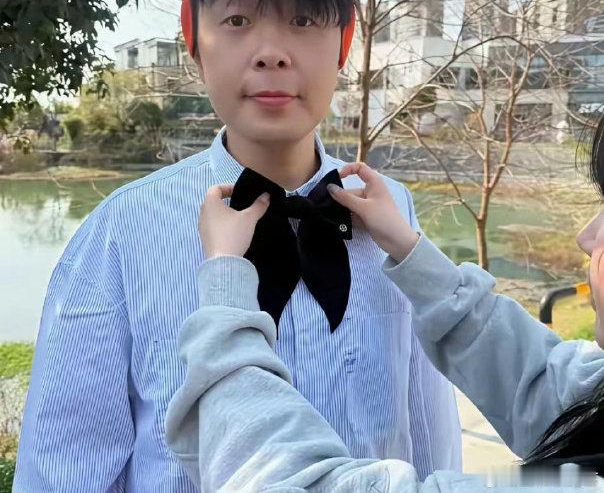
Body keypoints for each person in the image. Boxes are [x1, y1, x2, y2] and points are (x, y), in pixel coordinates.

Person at [13, 0, 460, 492]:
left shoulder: (390, 211)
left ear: (343, 46)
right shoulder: (120, 232)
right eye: (237, 20)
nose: (272, 52)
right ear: (195, 46)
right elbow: (63, 469)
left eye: (304, 20)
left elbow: (428, 424)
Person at [164, 120, 604, 491]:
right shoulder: (134, 220)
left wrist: (224, 280)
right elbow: (548, 389)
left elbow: (283, 478)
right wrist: (412, 251)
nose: (586, 237)